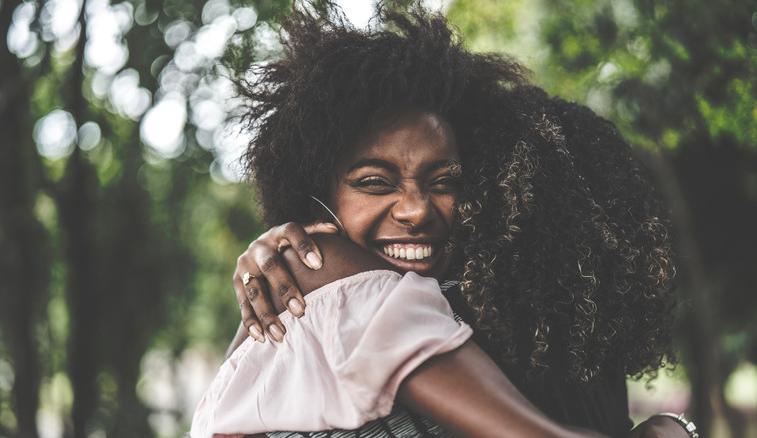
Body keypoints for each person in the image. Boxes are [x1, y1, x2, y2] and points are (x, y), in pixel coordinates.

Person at [204, 2, 693, 437]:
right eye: (375, 182)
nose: (416, 210)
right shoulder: (309, 271)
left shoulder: (508, 330)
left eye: (446, 183)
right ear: (314, 201)